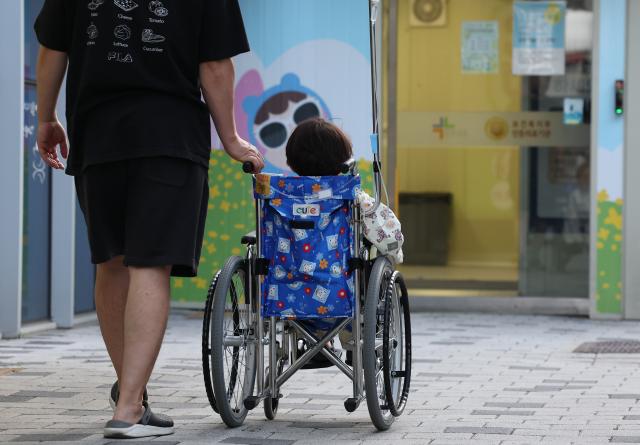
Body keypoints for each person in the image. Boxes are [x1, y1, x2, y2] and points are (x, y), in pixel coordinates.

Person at [34, 0, 264, 439]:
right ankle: (129, 406)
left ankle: (131, 396)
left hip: (98, 135)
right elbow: (214, 65)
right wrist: (231, 138)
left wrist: (47, 117)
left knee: (112, 261)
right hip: (169, 137)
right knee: (149, 263)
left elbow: (51, 48)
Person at [285, 117, 404, 366]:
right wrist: (394, 256)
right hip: (342, 293)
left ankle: (316, 342)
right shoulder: (353, 198)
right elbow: (391, 238)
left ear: (291, 160)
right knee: (365, 269)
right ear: (342, 161)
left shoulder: (281, 197)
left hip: (289, 296)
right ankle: (354, 343)